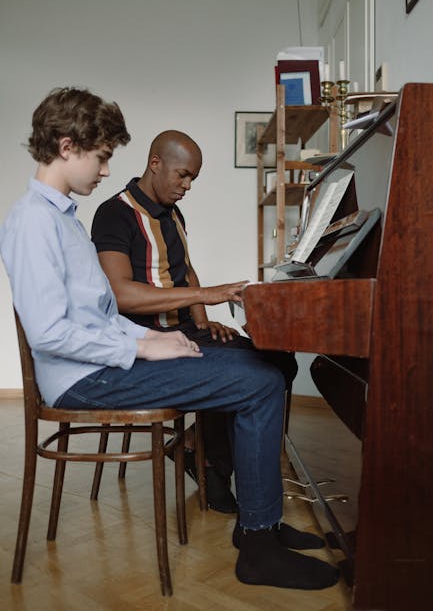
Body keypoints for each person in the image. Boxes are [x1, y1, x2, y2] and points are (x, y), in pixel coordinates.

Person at [0, 87, 339, 591]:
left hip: (104, 363)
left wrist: (157, 342)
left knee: (265, 369)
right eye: (102, 156)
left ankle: (256, 527)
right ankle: (258, 542)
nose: (108, 170)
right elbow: (50, 333)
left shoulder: (63, 218)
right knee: (260, 381)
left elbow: (101, 311)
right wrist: (139, 346)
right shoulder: (33, 222)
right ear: (67, 147)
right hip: (84, 380)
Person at [91, 130, 298, 514]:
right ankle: (211, 466)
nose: (187, 186)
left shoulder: (173, 211)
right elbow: (121, 294)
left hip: (186, 332)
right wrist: (206, 297)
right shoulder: (114, 213)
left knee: (280, 359)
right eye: (182, 175)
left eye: (193, 179)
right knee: (254, 372)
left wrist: (205, 322)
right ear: (155, 164)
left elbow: (185, 270)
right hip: (149, 340)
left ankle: (194, 447)